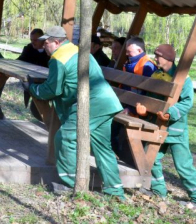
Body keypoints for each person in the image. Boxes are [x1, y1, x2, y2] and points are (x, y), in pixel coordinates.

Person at [26, 26, 125, 200]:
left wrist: (32, 88)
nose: (43, 46)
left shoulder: (59, 58)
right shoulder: (79, 51)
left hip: (92, 103)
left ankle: (71, 184)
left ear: (56, 42)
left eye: (46, 42)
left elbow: (52, 90)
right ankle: (115, 190)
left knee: (64, 137)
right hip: (107, 102)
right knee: (102, 147)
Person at [135, 44, 196, 212]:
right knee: (150, 158)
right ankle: (159, 190)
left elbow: (187, 102)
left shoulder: (182, 78)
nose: (155, 58)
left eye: (158, 55)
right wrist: (144, 111)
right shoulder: (156, 75)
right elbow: (149, 98)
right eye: (155, 55)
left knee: (183, 165)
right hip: (158, 127)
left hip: (175, 130)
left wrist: (170, 114)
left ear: (168, 59)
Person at [17, 28, 49, 121]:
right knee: (35, 109)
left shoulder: (49, 52)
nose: (33, 42)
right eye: (31, 40)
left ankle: (50, 126)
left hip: (47, 86)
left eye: (35, 40)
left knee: (37, 109)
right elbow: (20, 61)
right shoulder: (29, 49)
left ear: (43, 39)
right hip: (33, 84)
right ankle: (49, 125)